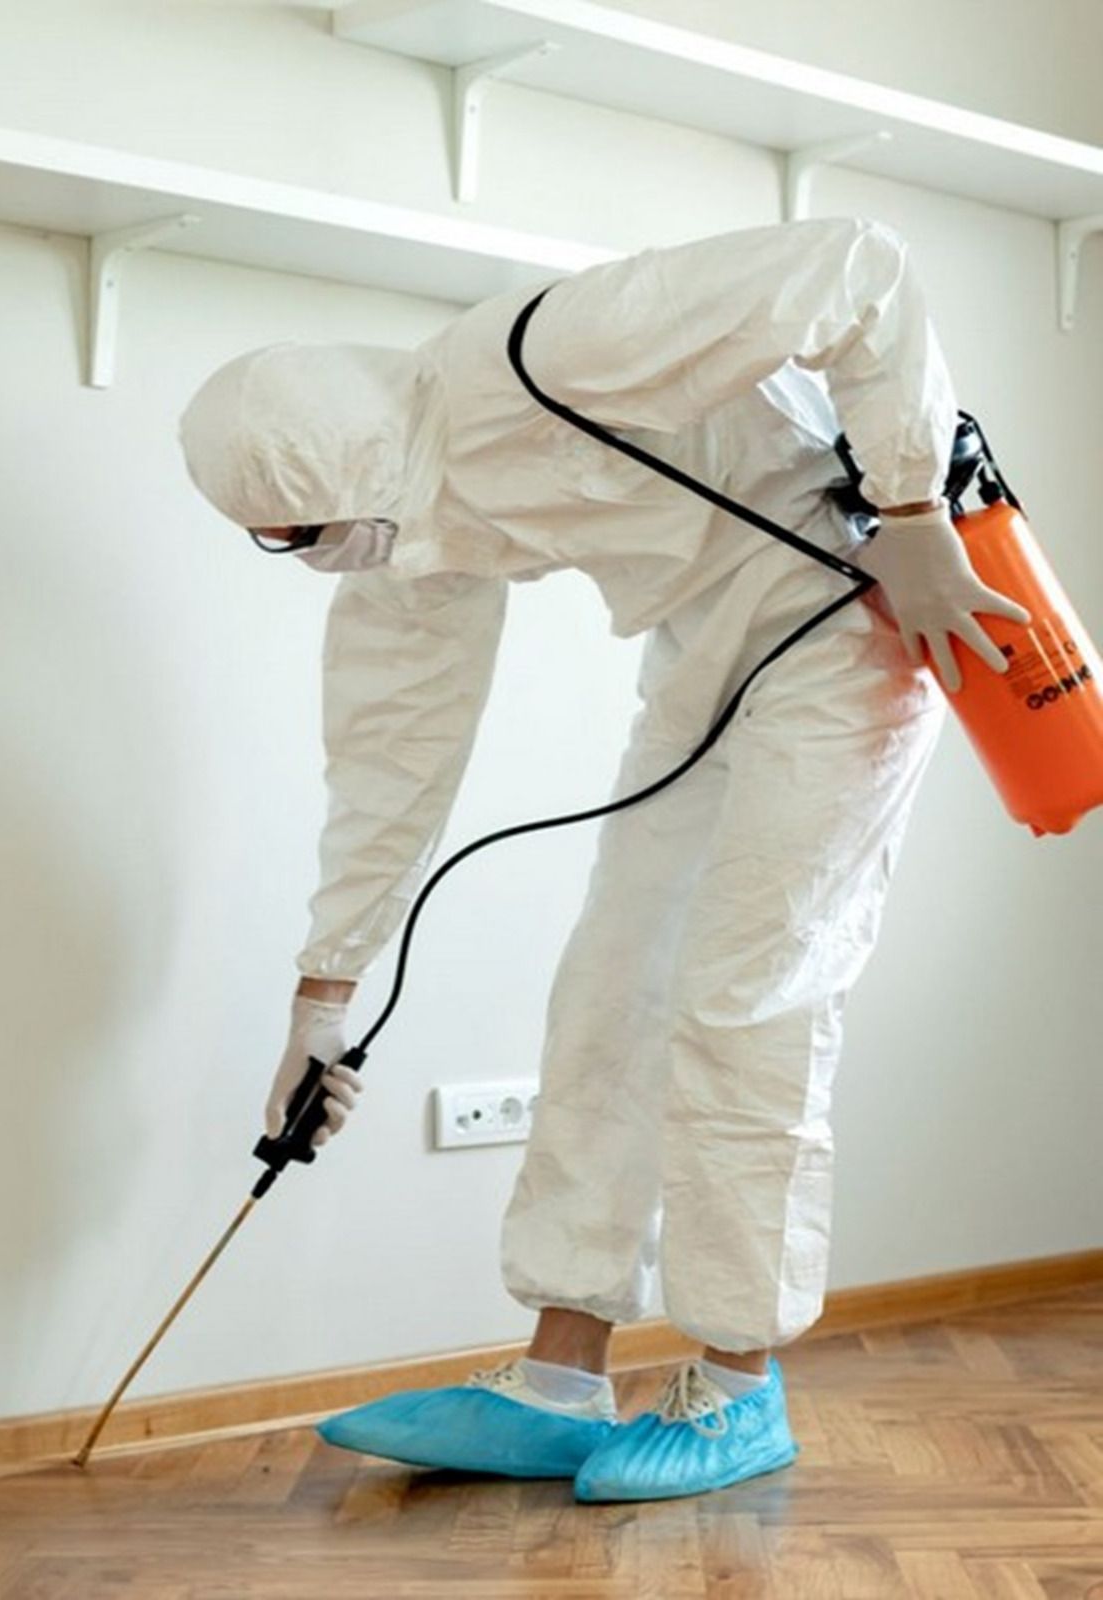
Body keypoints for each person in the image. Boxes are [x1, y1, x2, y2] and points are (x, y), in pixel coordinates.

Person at [176, 216, 1028, 1502]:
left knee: (748, 993)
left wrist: (912, 510)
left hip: (850, 609)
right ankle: (561, 1376)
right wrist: (322, 1002)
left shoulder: (545, 355)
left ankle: (739, 1380)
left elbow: (860, 268)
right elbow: (388, 765)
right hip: (703, 656)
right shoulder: (411, 527)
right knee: (609, 988)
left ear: (334, 480)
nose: (301, 560)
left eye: (290, 535)